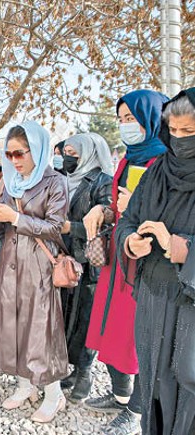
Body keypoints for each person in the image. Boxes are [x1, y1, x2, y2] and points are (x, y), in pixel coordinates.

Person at [83, 89, 168, 434]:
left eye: (131, 118)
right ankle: (121, 395)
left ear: (151, 118)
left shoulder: (166, 161)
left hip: (149, 263)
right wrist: (102, 210)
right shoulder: (127, 159)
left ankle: (135, 412)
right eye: (120, 119)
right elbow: (118, 204)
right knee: (112, 330)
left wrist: (139, 206)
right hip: (119, 256)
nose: (124, 126)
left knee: (141, 337)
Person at [113, 88, 195, 434]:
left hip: (188, 305)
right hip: (151, 298)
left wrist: (178, 246)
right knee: (153, 386)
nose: (178, 140)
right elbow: (129, 219)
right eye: (172, 131)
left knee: (186, 389)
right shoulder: (157, 172)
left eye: (188, 132)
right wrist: (130, 242)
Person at [0, 122, 69, 423]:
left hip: (39, 267)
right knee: (12, 323)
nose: (14, 160)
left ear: (38, 149)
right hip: (9, 264)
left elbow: (56, 229)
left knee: (41, 329)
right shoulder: (8, 182)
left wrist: (16, 217)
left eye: (20, 153)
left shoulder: (54, 181)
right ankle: (24, 383)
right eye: (9, 154)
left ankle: (54, 393)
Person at [58, 133, 113, 402]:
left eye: (73, 152)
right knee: (68, 317)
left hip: (89, 264)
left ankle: (85, 372)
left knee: (87, 321)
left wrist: (72, 228)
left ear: (89, 153)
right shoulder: (63, 179)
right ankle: (71, 367)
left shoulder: (102, 182)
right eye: (65, 151)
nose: (68, 157)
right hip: (65, 259)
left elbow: (107, 226)